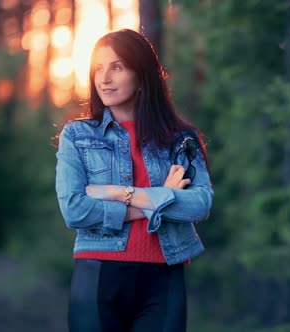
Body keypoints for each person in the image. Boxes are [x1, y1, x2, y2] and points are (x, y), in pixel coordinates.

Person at [55, 29, 213, 332]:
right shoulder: (77, 136)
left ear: (142, 75)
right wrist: (160, 198)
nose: (104, 79)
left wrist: (119, 192)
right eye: (98, 68)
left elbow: (200, 203)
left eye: (117, 67)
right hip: (98, 276)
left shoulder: (179, 140)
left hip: (163, 279)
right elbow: (75, 210)